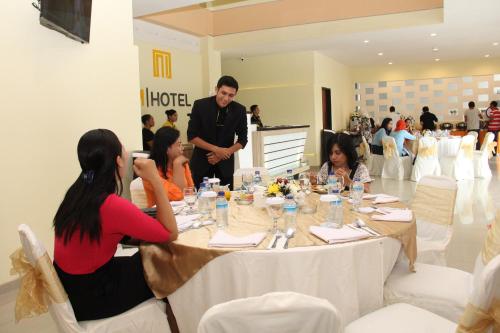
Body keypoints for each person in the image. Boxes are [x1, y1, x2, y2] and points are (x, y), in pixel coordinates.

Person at [53, 129, 178, 321]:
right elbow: (170, 233)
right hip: (94, 296)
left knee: (149, 255)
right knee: (168, 263)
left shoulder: (76, 193)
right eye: (123, 149)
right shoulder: (110, 204)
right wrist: (155, 180)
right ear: (118, 160)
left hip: (73, 287)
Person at [187, 76, 247, 189]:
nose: (226, 98)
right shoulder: (200, 105)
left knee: (226, 200)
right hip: (201, 162)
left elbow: (243, 140)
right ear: (216, 89)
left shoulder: (239, 110)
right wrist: (217, 150)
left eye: (231, 95)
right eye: (223, 93)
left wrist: (224, 153)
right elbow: (191, 136)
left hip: (225, 164)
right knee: (200, 199)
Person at [143, 127, 194, 204]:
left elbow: (190, 191)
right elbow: (178, 195)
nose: (182, 148)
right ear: (166, 148)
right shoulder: (151, 170)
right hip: (159, 213)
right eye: (179, 145)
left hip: (183, 211)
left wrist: (177, 165)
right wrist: (177, 165)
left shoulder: (182, 164)